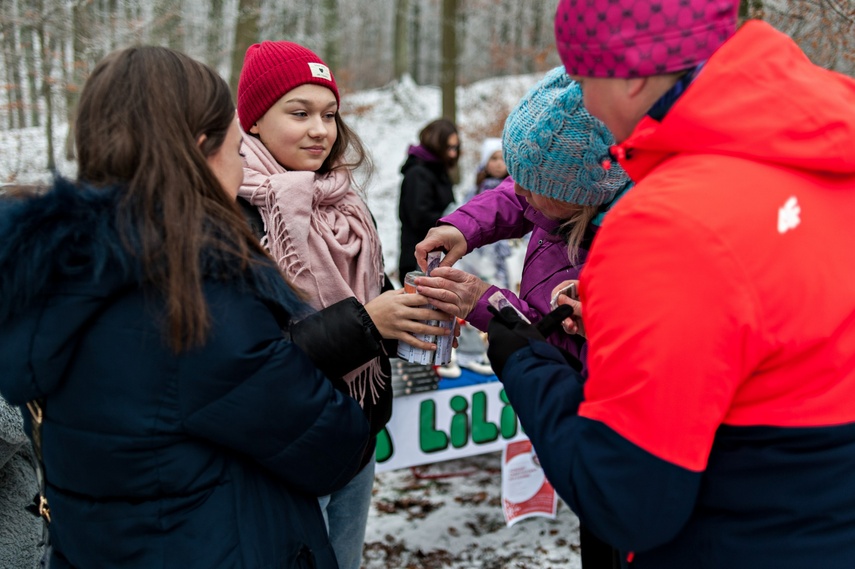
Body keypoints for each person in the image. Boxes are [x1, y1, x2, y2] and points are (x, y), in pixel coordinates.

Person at [485, 1, 855, 568]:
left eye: (582, 79)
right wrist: (627, 313)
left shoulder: (668, 221)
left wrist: (526, 363)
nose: (585, 104)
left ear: (630, 77)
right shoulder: (826, 148)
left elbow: (627, 501)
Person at [0, 46, 371, 568]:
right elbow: (334, 445)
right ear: (201, 152)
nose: (242, 166)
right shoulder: (194, 293)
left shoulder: (59, 273)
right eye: (237, 150)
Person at [235, 41, 450, 569]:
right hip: (279, 454)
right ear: (254, 121)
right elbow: (244, 360)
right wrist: (368, 324)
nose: (320, 130)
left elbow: (369, 302)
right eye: (300, 113)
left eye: (329, 114)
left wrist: (414, 316)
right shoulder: (234, 212)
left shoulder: (345, 201)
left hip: (354, 434)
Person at [414, 67, 631, 371]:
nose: (517, 188)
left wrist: (485, 303)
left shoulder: (625, 259)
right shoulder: (566, 199)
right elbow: (514, 197)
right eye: (515, 175)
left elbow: (563, 352)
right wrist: (461, 228)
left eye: (531, 184)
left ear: (576, 194)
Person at [397, 118, 460, 279]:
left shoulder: (438, 170)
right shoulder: (418, 173)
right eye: (449, 147)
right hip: (419, 258)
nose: (453, 153)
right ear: (436, 144)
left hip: (435, 254)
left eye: (456, 148)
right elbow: (419, 217)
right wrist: (454, 221)